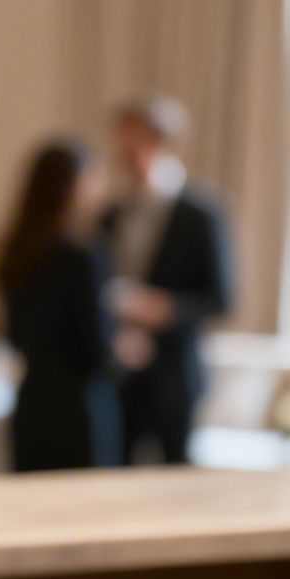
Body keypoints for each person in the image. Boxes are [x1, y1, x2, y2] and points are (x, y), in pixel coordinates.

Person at [99, 96, 233, 465]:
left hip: (174, 375)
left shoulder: (201, 212)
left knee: (175, 482)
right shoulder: (112, 213)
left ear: (160, 140)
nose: (124, 148)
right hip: (121, 375)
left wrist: (163, 308)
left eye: (134, 137)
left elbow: (221, 298)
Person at [0, 139, 122, 470]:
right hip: (78, 405)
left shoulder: (15, 249)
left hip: (32, 401)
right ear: (75, 185)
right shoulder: (82, 254)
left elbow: (14, 336)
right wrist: (123, 349)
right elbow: (95, 347)